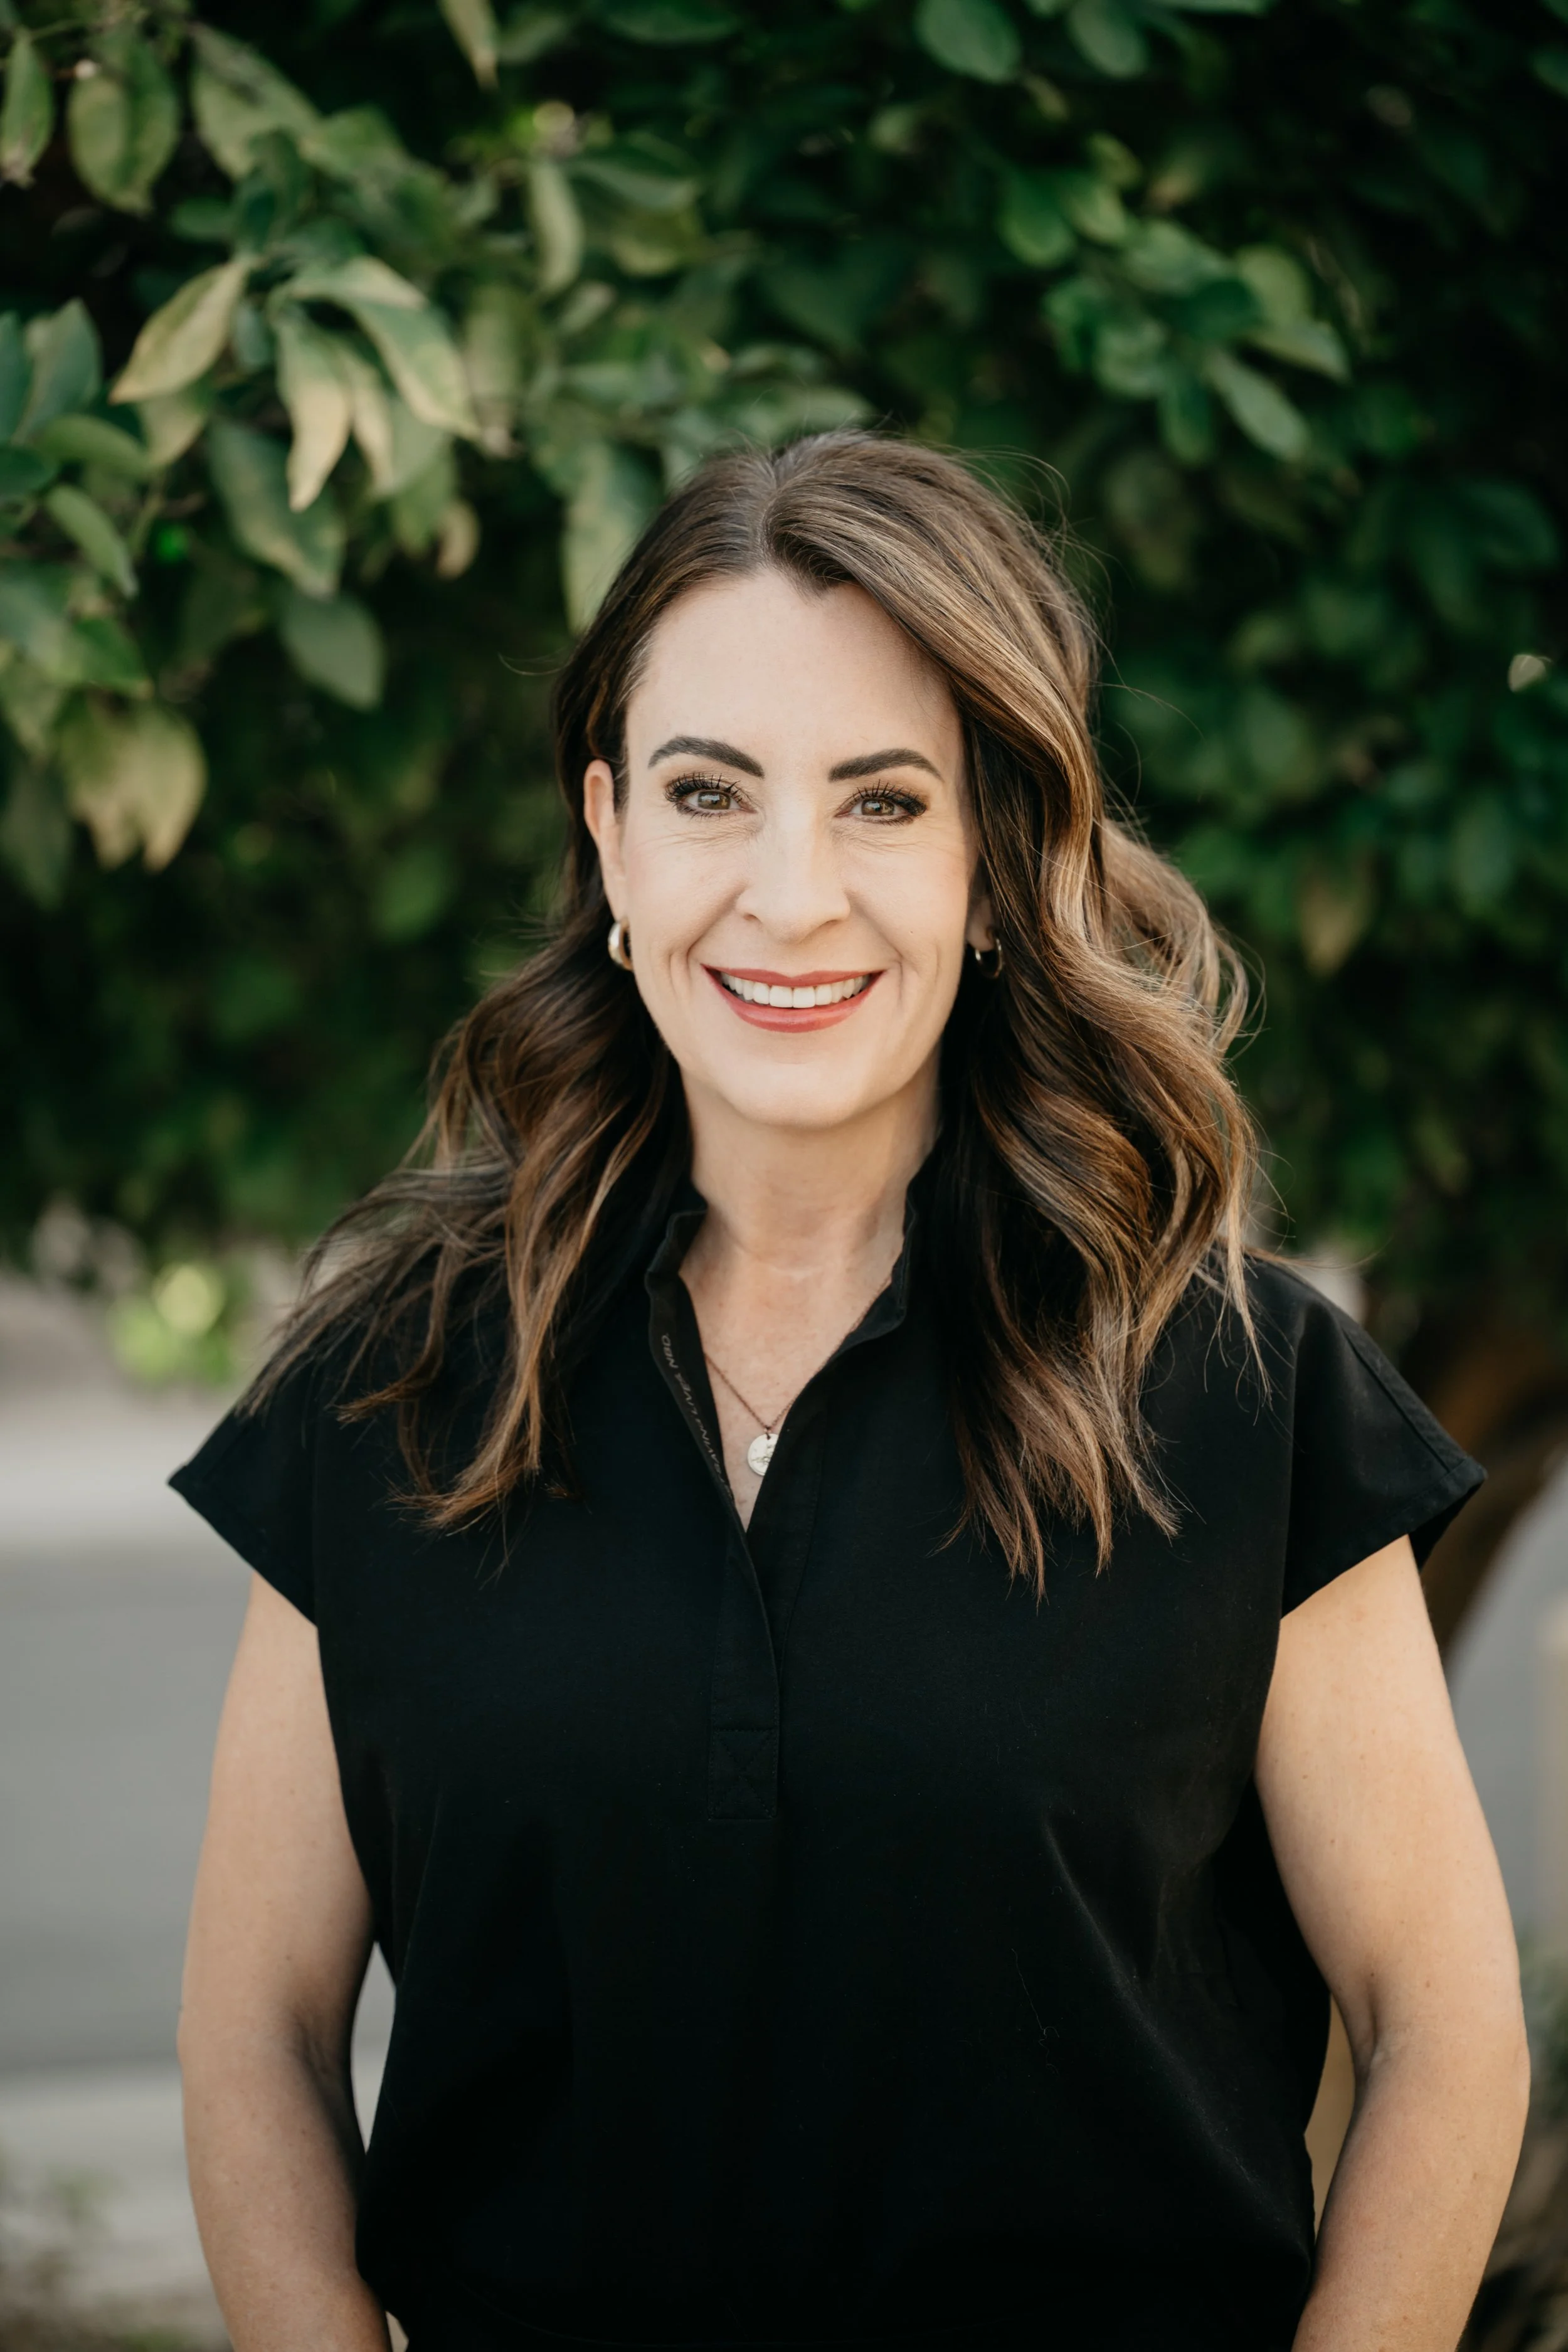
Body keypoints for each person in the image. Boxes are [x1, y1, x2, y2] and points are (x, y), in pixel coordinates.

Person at [172, 432, 1526, 2352]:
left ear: (994, 863)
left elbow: (1440, 2029)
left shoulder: (1238, 1385)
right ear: (611, 837)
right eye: (706, 792)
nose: (789, 894)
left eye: (881, 800)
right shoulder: (381, 1385)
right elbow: (256, 2032)